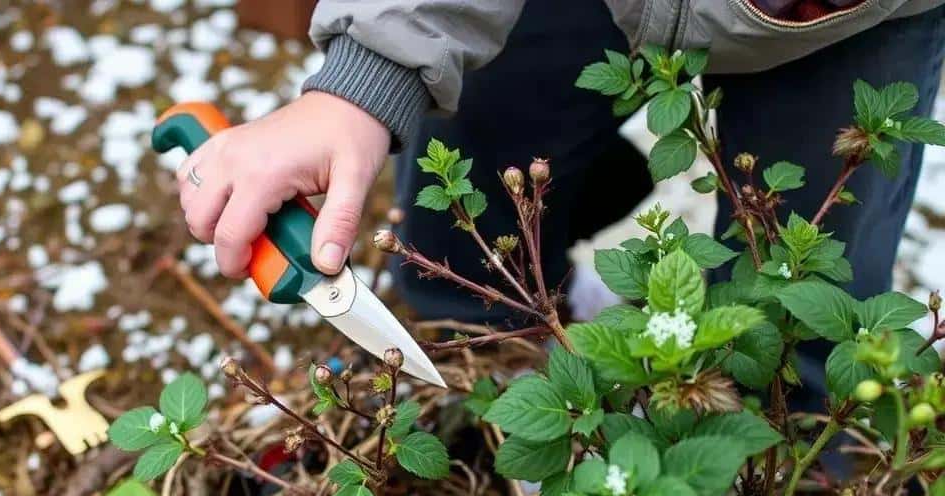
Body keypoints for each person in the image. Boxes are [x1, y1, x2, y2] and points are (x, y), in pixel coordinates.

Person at [176, 0, 945, 397]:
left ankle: (793, 469)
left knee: (808, 301)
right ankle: (487, 350)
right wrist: (369, 71)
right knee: (471, 209)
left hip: (854, 21)